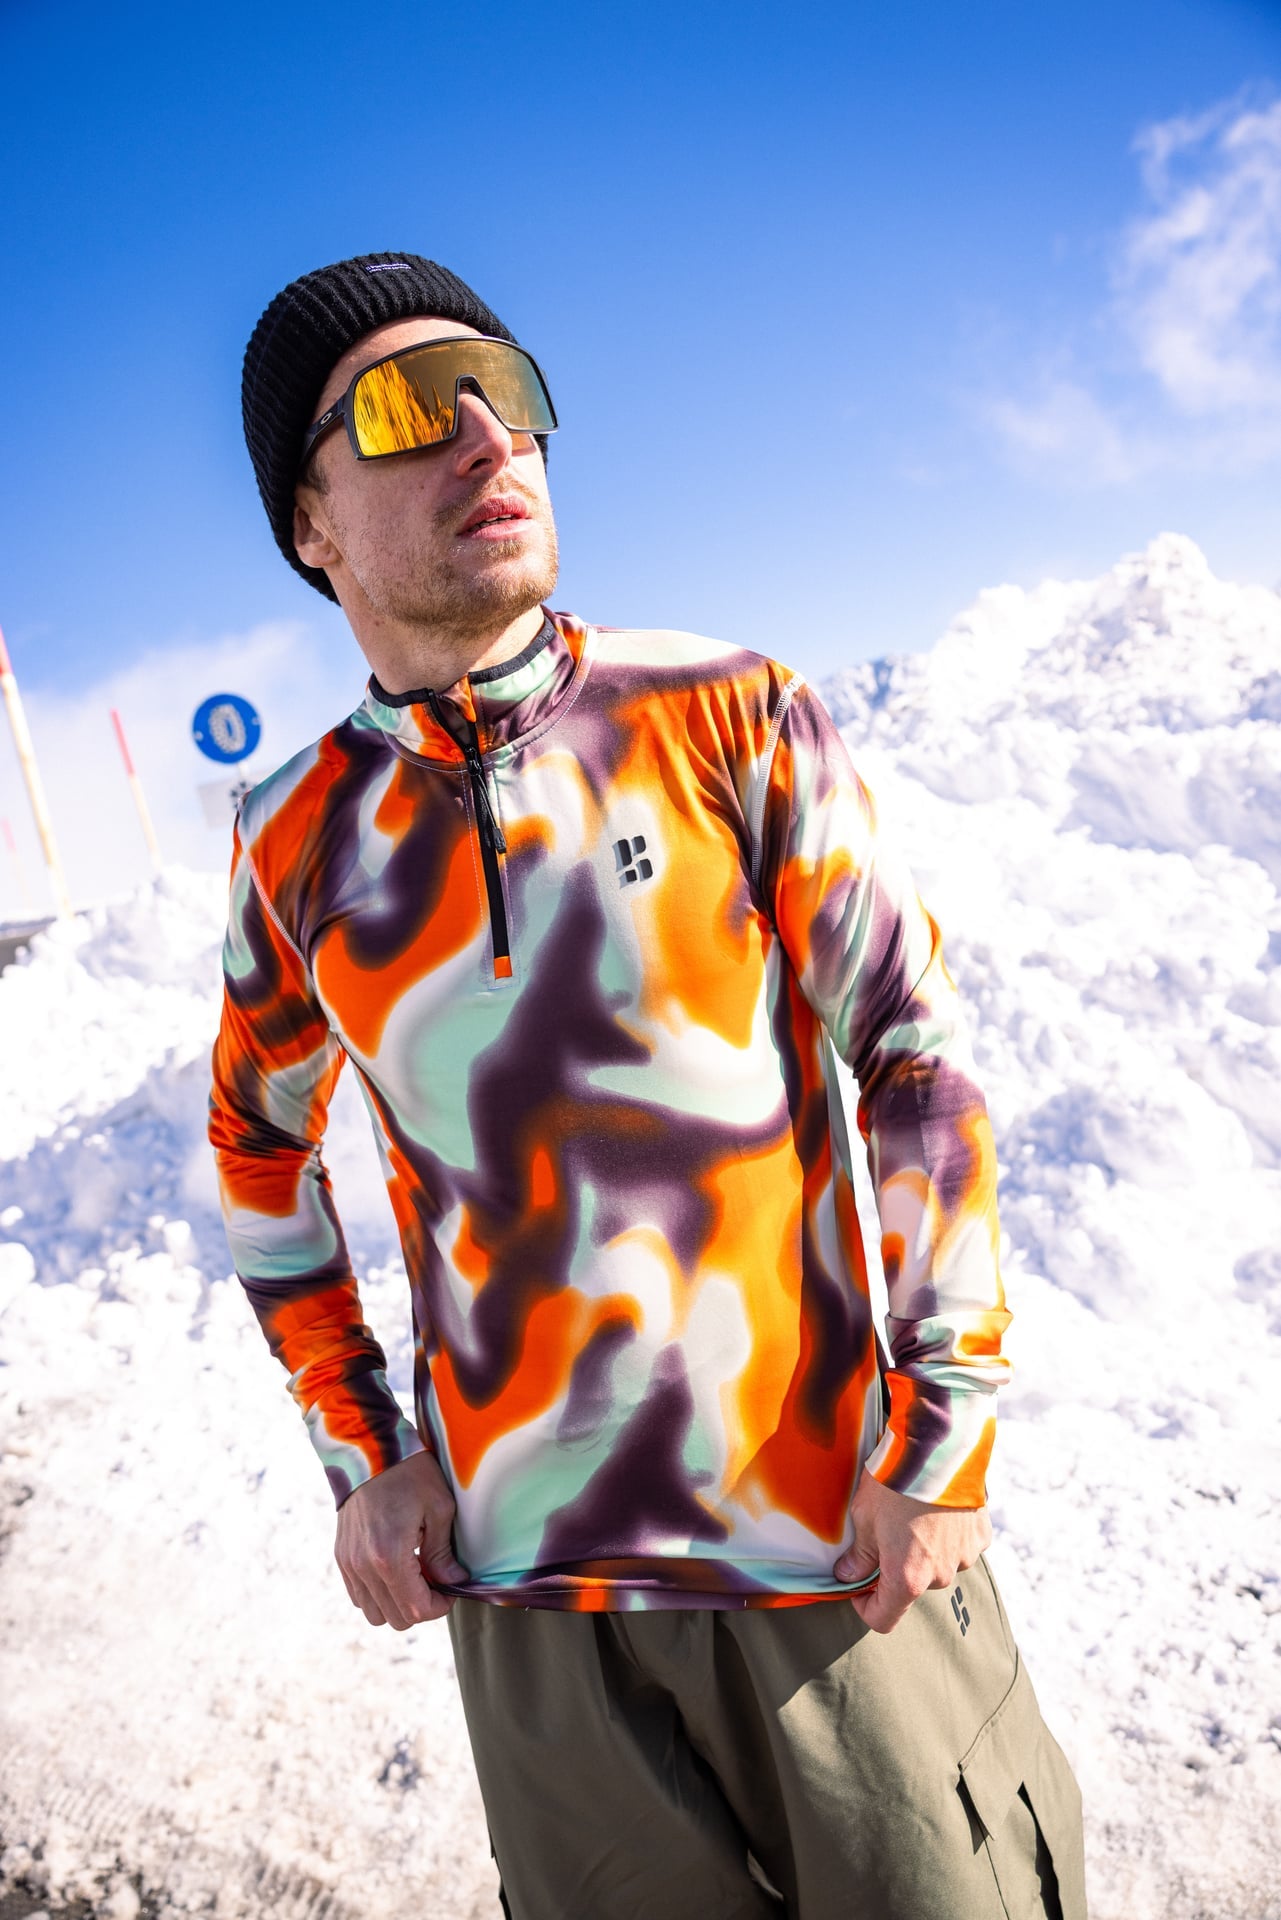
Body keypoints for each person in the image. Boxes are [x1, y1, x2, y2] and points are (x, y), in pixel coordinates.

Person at [212, 252, 1086, 1919]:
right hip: (534, 1624)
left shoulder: (725, 713)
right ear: (309, 521)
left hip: (831, 1558)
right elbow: (258, 1154)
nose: (488, 437)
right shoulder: (296, 840)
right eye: (407, 407)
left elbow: (912, 1063)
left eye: (508, 390)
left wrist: (943, 1435)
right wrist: (363, 1453)